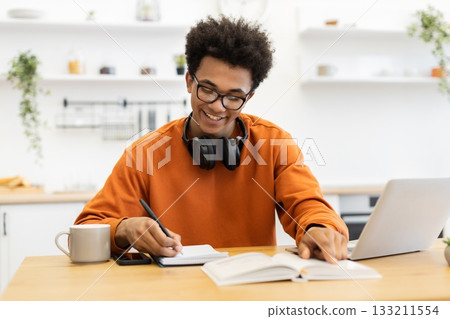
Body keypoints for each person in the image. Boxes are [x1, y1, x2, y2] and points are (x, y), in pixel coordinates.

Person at [75, 16, 349, 264]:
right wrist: (124, 230)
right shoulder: (147, 151)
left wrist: (319, 230)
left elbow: (310, 206)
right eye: (208, 89)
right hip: (174, 291)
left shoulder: (274, 143)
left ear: (248, 98)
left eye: (233, 96)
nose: (218, 106)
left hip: (251, 287)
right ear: (188, 82)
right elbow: (87, 227)